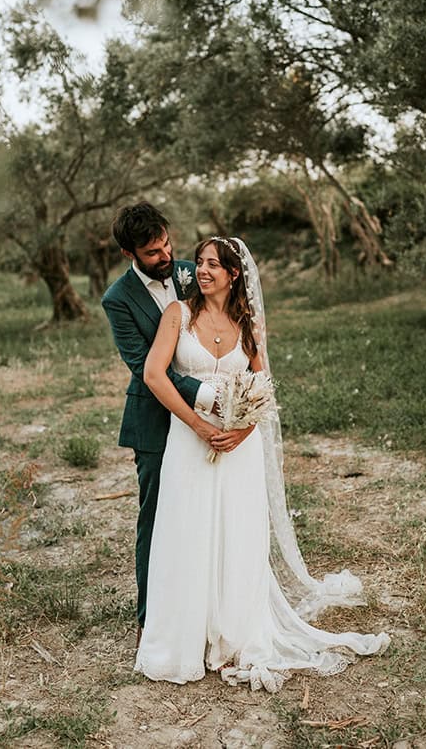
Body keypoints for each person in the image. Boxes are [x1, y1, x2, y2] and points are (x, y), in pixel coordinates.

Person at [135, 236, 390, 692]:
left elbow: (262, 386)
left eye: (215, 264)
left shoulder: (246, 324)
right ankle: (184, 638)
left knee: (237, 532)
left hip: (238, 446)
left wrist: (243, 430)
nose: (204, 270)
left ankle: (235, 629)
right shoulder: (178, 315)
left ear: (234, 275)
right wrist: (197, 425)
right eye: (202, 263)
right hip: (189, 439)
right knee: (186, 530)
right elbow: (154, 374)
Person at [101, 205, 250, 639]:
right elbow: (143, 367)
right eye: (152, 251)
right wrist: (203, 395)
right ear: (130, 252)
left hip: (216, 416)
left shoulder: (194, 272)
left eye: (166, 243)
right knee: (157, 513)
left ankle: (210, 604)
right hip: (153, 418)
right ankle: (152, 613)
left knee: (207, 510)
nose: (165, 255)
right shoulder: (118, 299)